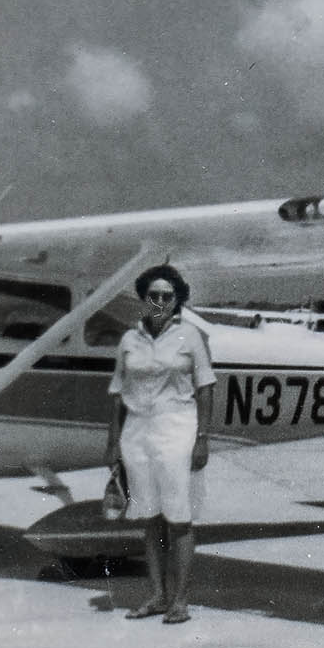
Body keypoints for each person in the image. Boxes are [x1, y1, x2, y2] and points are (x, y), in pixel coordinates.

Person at [106, 263, 216, 625]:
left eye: (167, 296)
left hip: (177, 430)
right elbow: (118, 393)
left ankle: (180, 601)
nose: (159, 302)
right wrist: (112, 443)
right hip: (137, 433)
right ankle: (156, 595)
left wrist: (202, 438)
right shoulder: (129, 340)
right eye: (153, 295)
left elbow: (205, 387)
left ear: (177, 300)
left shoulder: (190, 337)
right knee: (150, 518)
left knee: (179, 518)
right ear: (143, 298)